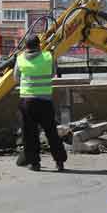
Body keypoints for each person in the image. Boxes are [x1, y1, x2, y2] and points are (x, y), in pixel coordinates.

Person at [14, 35, 67, 172]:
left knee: (29, 134)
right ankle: (59, 161)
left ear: (26, 46)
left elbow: (16, 78)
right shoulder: (48, 57)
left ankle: (34, 163)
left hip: (27, 101)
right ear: (39, 45)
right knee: (51, 132)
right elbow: (53, 74)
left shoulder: (20, 59)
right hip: (45, 101)